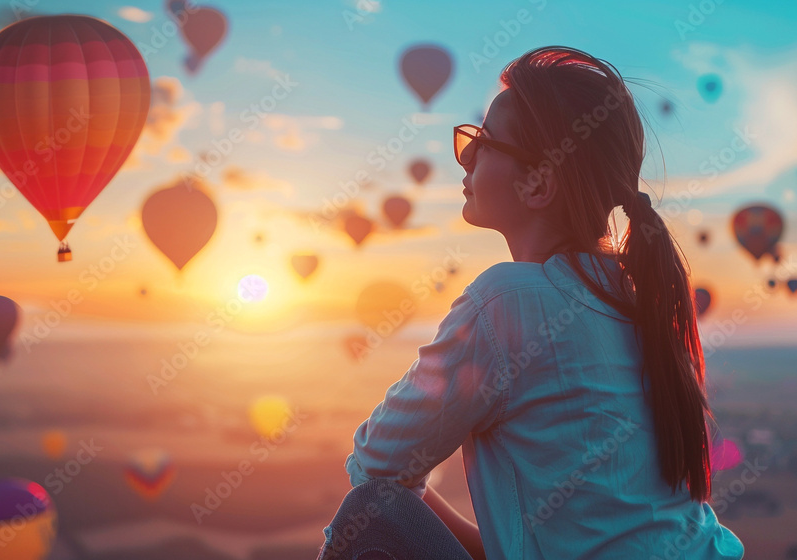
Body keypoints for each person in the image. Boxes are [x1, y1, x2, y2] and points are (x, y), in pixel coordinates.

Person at [316, 46, 745, 560]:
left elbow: (376, 466)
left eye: (484, 143)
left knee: (370, 515)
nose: (467, 156)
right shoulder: (642, 302)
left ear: (538, 182)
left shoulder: (507, 301)